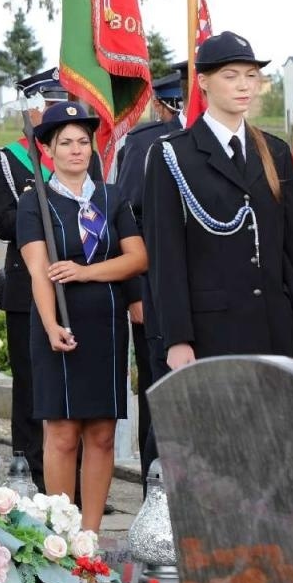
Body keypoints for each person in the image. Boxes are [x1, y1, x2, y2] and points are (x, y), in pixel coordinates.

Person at [143, 32, 293, 371]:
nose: (245, 86)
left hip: (273, 328)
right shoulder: (172, 155)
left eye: (251, 76)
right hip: (211, 332)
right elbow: (166, 256)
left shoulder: (274, 152)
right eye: (231, 76)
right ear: (204, 82)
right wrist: (177, 337)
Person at [17, 103, 147, 532]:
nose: (77, 150)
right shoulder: (35, 201)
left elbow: (137, 259)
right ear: (48, 150)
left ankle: (90, 537)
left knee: (102, 434)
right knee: (63, 433)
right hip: (59, 325)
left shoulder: (113, 198)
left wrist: (86, 271)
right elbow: (40, 271)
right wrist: (52, 325)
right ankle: (62, 535)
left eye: (83, 142)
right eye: (66, 143)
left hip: (106, 326)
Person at [0, 68, 70, 485]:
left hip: (71, 281)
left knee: (71, 383)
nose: (58, 112)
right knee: (30, 381)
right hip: (25, 284)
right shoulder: (5, 158)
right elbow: (3, 221)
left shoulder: (75, 156)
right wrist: (49, 214)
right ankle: (29, 471)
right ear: (32, 110)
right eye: (50, 105)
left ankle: (69, 474)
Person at [111, 65, 186, 478]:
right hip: (156, 290)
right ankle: (152, 497)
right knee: (158, 392)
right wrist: (136, 291)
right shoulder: (144, 143)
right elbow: (130, 222)